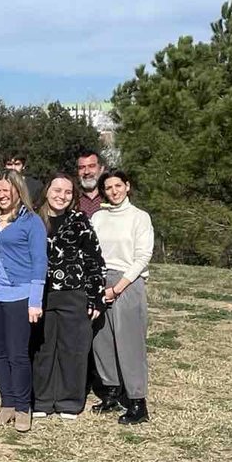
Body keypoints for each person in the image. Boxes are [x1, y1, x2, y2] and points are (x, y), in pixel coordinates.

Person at [0, 169, 47, 433]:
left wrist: (35, 300)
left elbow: (39, 262)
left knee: (18, 354)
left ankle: (22, 407)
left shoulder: (31, 222)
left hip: (19, 294)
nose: (2, 195)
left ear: (18, 191)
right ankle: (7, 404)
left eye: (7, 190)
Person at [32, 175, 105, 419]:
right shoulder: (32, 218)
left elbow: (95, 260)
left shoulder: (79, 221)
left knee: (72, 349)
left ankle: (68, 401)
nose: (61, 196)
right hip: (40, 294)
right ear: (46, 191)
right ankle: (42, 400)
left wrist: (95, 297)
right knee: (42, 349)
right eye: (57, 190)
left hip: (73, 294)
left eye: (67, 192)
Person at [90, 170, 155, 425]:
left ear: (127, 187)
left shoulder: (139, 217)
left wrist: (117, 288)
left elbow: (142, 256)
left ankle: (137, 402)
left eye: (118, 185)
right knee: (102, 339)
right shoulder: (98, 217)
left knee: (129, 344)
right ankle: (111, 392)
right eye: (109, 187)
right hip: (101, 278)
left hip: (128, 281)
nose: (114, 191)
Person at [76, 150, 106, 218]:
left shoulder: (111, 197)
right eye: (82, 167)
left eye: (91, 166)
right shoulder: (72, 199)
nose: (86, 172)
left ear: (101, 169)